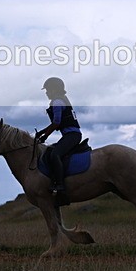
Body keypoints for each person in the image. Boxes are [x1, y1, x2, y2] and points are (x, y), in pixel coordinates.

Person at [35, 77, 82, 205]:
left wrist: (44, 136)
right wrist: (43, 133)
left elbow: (56, 123)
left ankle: (60, 185)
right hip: (70, 135)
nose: (46, 93)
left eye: (48, 90)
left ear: (54, 89)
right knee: (51, 152)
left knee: (55, 154)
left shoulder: (57, 102)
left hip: (72, 135)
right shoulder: (61, 101)